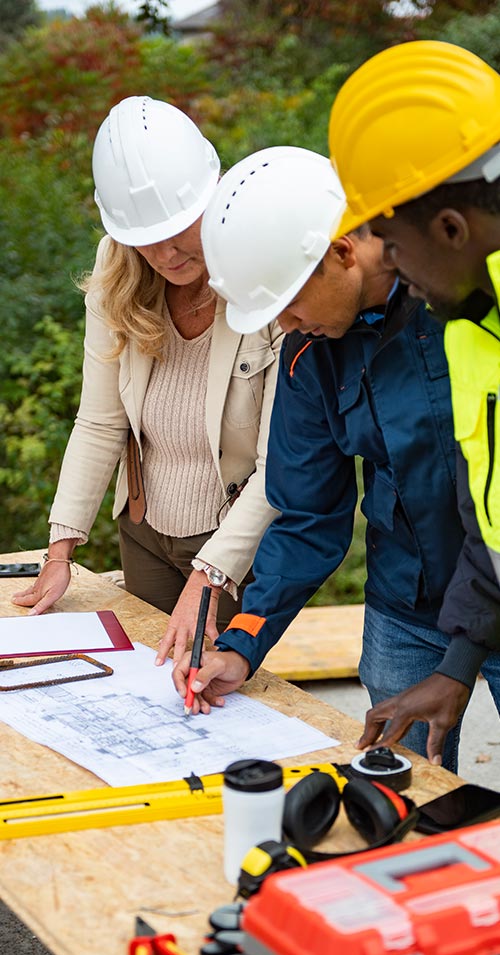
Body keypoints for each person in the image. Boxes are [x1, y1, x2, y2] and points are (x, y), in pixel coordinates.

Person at [170, 144, 500, 771]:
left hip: (499, 588)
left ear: (341, 252)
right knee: (404, 797)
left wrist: (463, 660)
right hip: (406, 613)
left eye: (290, 304)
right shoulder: (309, 352)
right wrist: (242, 642)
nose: (287, 326)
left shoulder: (456, 300)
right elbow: (306, 513)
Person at [12, 97, 283, 664]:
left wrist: (210, 574)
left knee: (218, 696)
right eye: (144, 236)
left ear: (212, 196)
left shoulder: (268, 278)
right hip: (143, 529)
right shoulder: (120, 267)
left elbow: (277, 465)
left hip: (237, 543)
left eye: (178, 229)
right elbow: (99, 420)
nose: (164, 252)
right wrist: (59, 548)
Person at [327, 39, 500, 754]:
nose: (390, 272)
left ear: (452, 228)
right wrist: (458, 666)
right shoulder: (468, 326)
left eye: (393, 246)